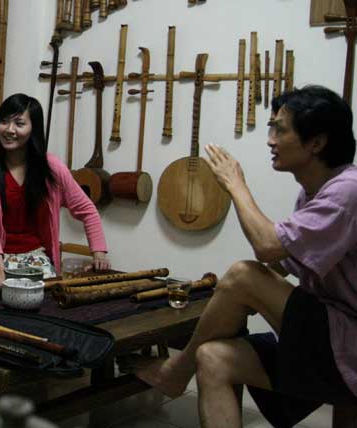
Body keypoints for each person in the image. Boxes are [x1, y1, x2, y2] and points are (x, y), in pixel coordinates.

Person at [135, 85, 357, 427]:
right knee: (214, 357)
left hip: (348, 342)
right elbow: (283, 263)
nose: (270, 140)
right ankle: (185, 368)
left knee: (244, 273)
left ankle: (177, 370)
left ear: (316, 143)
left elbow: (267, 247)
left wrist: (235, 184)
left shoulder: (347, 191)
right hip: (329, 335)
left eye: (279, 130)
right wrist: (230, 299)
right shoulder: (313, 193)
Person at [0, 93, 110, 288]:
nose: (9, 129)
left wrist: (99, 254)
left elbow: (87, 210)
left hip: (33, 255)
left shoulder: (51, 167)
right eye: (4, 122)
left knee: (43, 297)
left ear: (33, 129)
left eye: (19, 124)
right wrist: (0, 272)